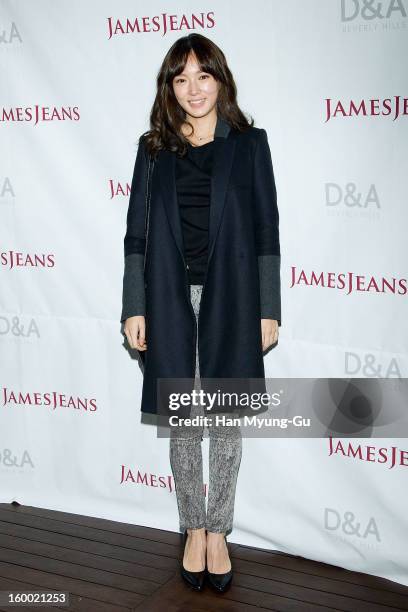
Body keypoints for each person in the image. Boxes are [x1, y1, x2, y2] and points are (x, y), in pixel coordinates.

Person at [121, 33, 281, 593]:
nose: (193, 88)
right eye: (181, 77)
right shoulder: (153, 149)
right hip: (168, 295)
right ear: (170, 86)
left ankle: (220, 531)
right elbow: (135, 236)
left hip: (233, 295)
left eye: (203, 75)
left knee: (225, 420)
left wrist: (268, 305)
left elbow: (266, 228)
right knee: (186, 420)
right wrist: (134, 306)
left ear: (220, 79)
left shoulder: (251, 144)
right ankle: (193, 525)